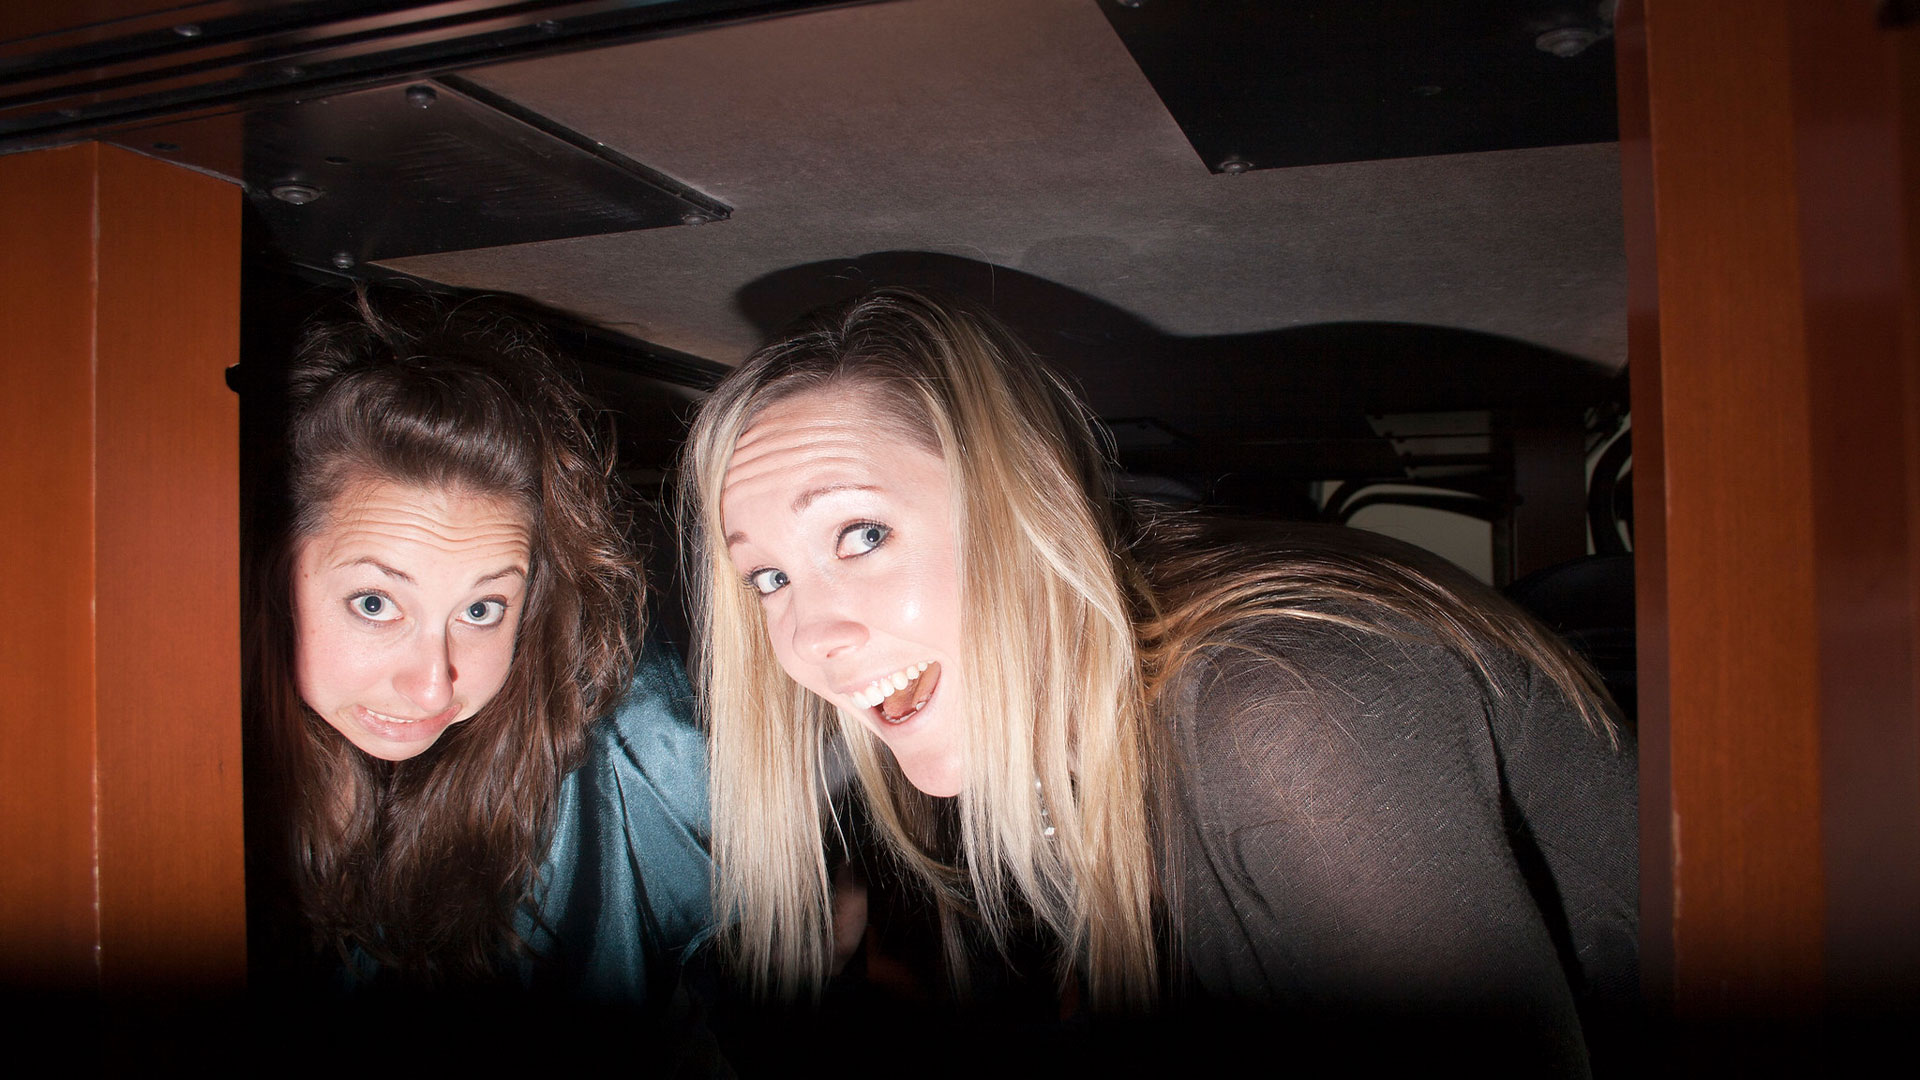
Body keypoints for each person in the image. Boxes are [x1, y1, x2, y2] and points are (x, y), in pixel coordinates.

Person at [680, 288, 1637, 1070]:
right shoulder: (1073, 729)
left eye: (864, 534)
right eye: (769, 578)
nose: (810, 639)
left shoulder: (1283, 716)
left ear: (1027, 503)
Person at [244, 294, 711, 1015]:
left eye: (481, 610)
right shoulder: (163, 795)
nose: (433, 686)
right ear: (270, 574)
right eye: (375, 603)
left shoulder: (633, 753)